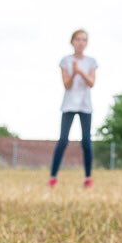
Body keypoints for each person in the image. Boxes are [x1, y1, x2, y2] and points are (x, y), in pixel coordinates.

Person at [49, 29, 99, 189]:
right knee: (63, 140)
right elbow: (66, 85)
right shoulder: (65, 61)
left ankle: (88, 177)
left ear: (87, 43)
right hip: (69, 104)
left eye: (84, 40)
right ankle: (53, 176)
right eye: (78, 39)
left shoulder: (91, 62)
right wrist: (73, 73)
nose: (80, 42)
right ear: (72, 42)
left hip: (85, 105)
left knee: (86, 141)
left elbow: (91, 83)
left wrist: (80, 71)